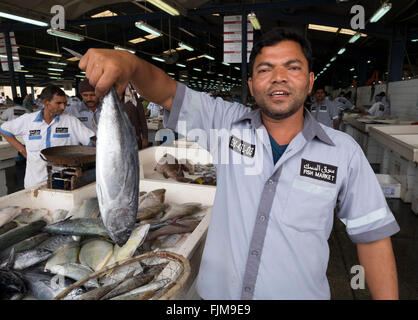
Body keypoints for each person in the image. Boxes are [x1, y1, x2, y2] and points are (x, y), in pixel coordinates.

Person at [79, 28, 399, 300]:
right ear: (251, 85)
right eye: (265, 69)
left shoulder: (344, 152)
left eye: (293, 67)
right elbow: (165, 92)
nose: (278, 78)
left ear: (311, 80)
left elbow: (372, 239)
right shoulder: (224, 125)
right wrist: (130, 64)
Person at [0, 85, 95, 189]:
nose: (63, 107)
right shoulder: (28, 120)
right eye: (58, 103)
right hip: (35, 182)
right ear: (46, 102)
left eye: (65, 103)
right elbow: (4, 130)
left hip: (64, 181)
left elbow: (90, 142)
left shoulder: (70, 121)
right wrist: (22, 150)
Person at [122, 85, 149, 149]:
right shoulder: (112, 99)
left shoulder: (134, 97)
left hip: (135, 140)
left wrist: (145, 137)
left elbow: (142, 119)